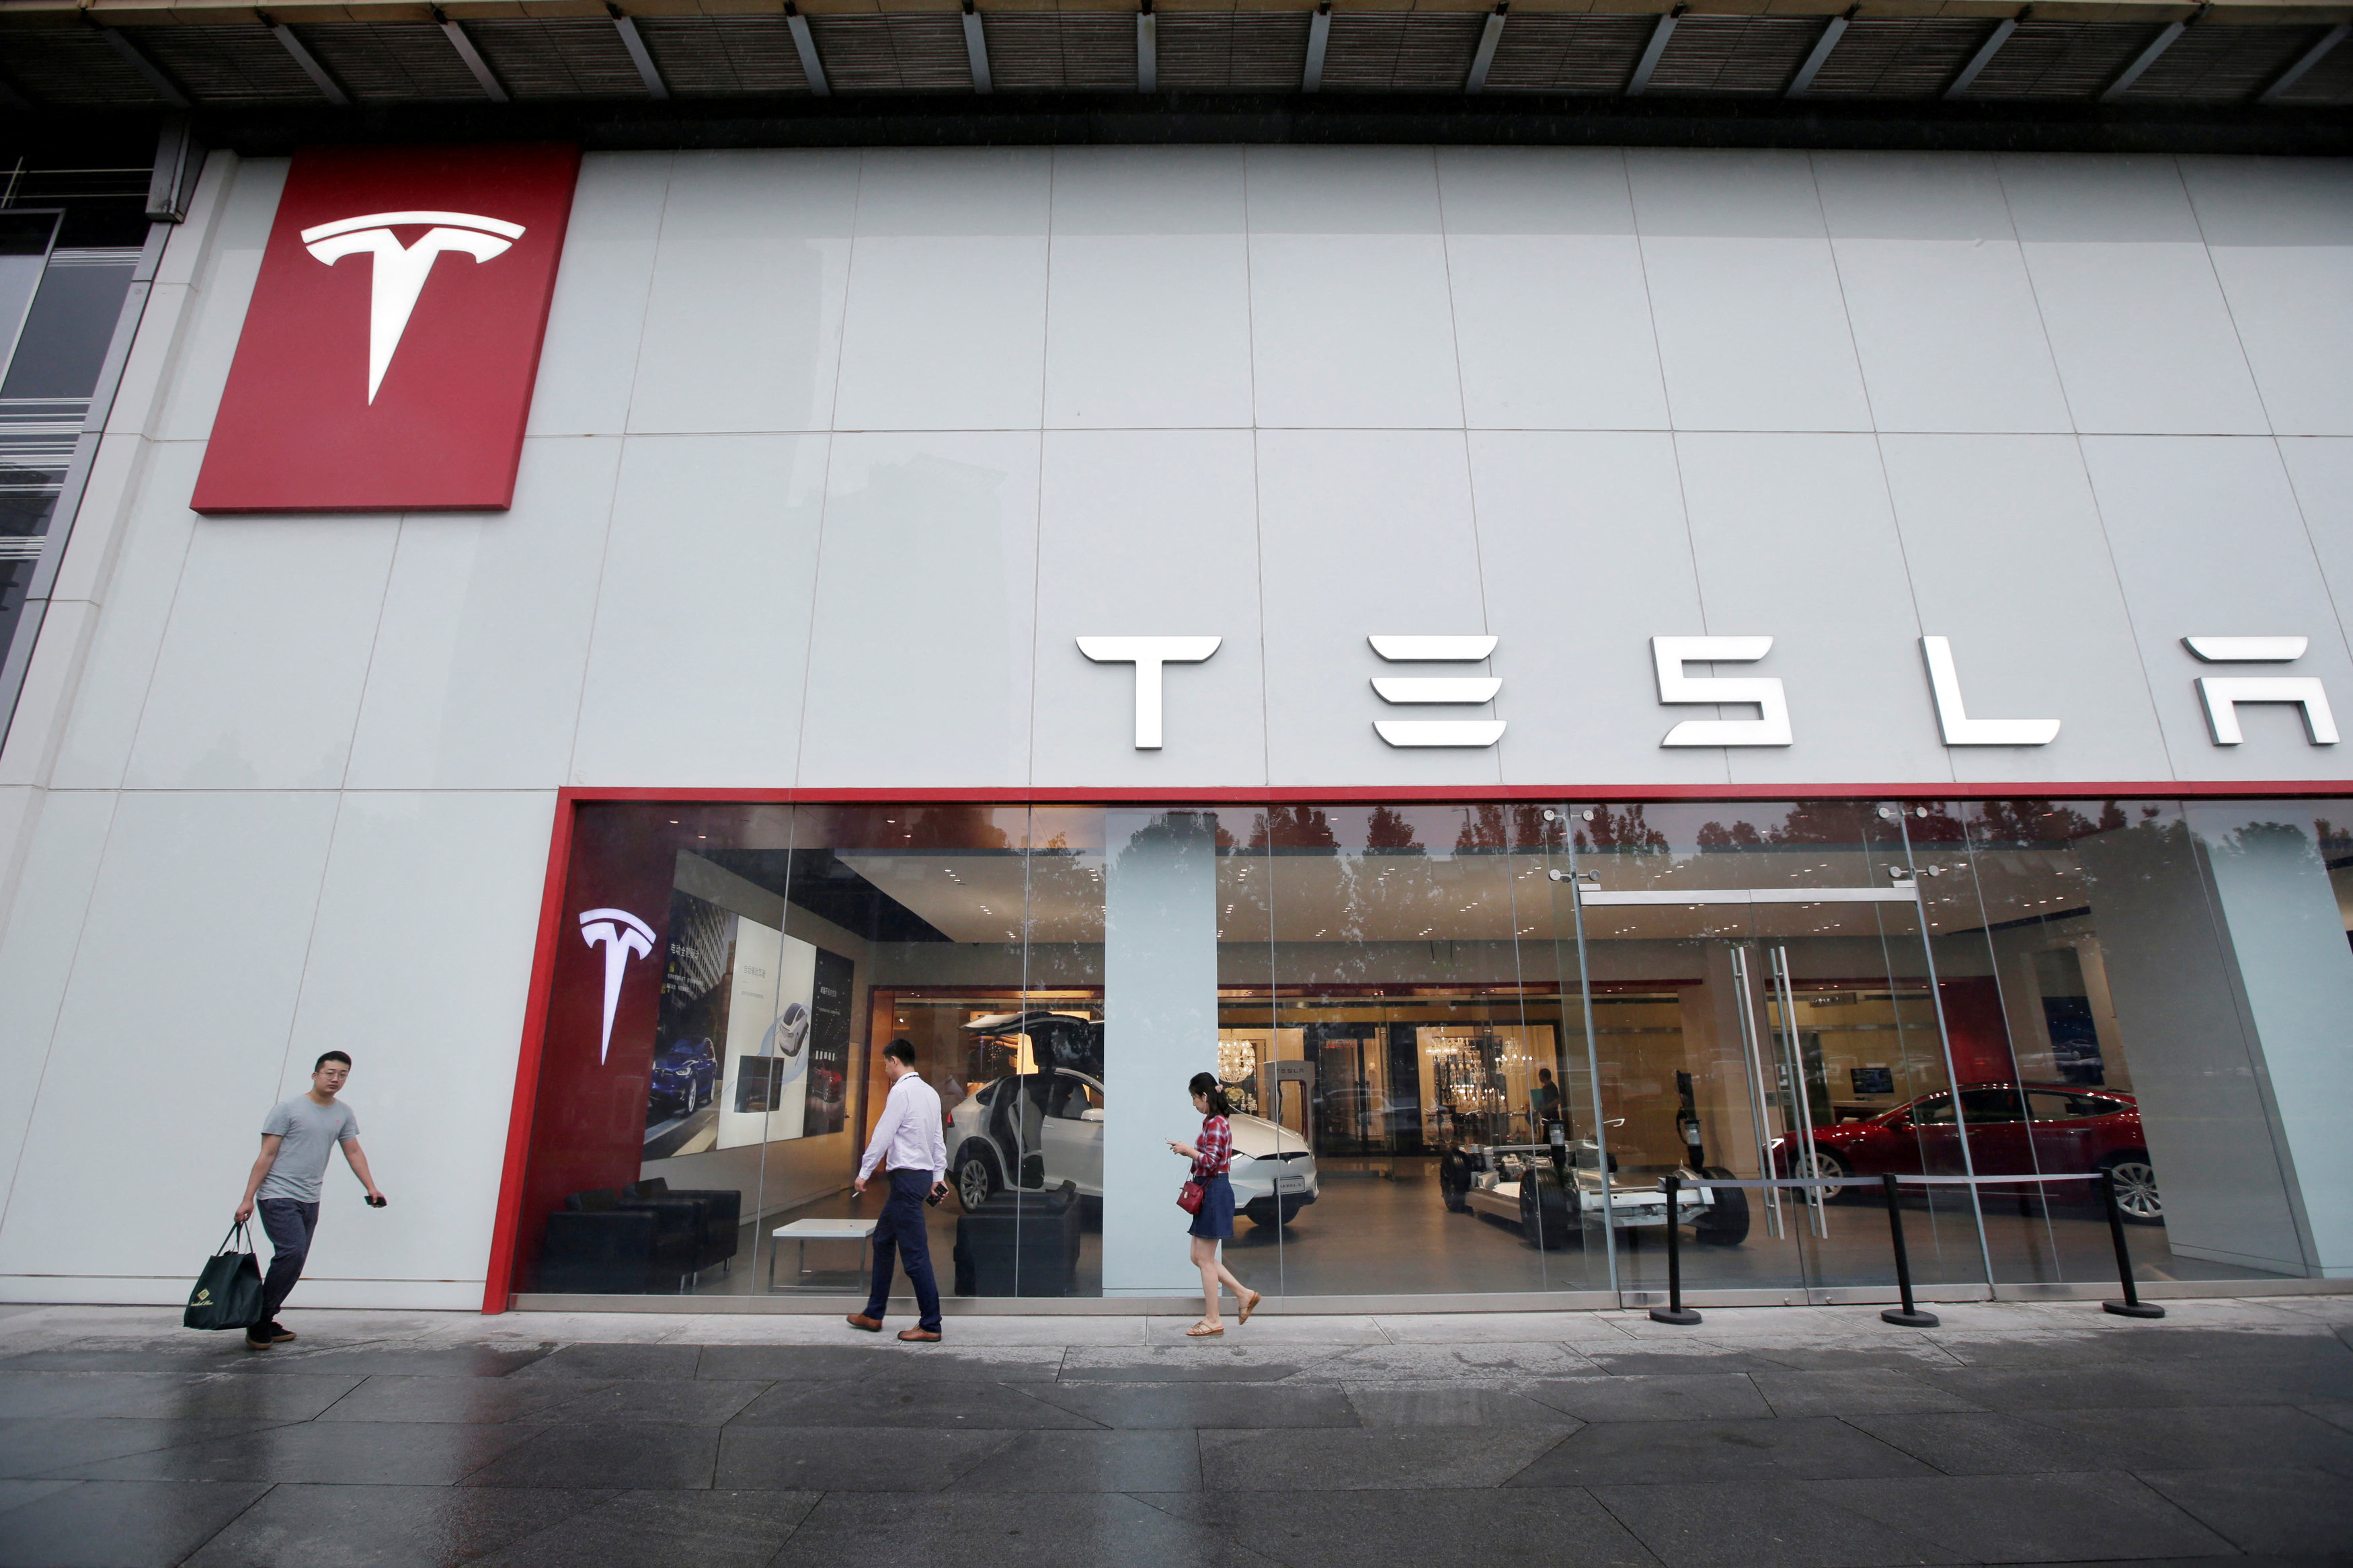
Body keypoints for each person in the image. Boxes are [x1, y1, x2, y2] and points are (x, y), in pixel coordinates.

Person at [233, 1050, 385, 1350]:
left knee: (296, 1260)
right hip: (277, 1195)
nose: (335, 1079)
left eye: (342, 1074)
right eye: (329, 1073)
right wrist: (247, 1198)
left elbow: (353, 1151)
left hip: (310, 1198)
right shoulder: (288, 1109)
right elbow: (266, 1154)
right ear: (315, 1075)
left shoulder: (343, 1112)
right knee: (291, 1252)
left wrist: (371, 1187)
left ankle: (265, 1316)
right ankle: (260, 1319)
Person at [847, 1039, 948, 1343]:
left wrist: (865, 1172)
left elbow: (883, 1135)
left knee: (915, 1255)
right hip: (921, 1177)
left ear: (894, 1061)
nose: (884, 1068)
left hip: (905, 1180)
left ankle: (931, 1324)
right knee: (883, 1239)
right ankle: (874, 1313)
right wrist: (938, 1175)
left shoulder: (900, 1092)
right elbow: (938, 1140)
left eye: (885, 1063)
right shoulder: (930, 1093)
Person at [1166, 1071, 1259, 1337]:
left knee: (1204, 1259)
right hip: (1211, 1190)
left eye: (1195, 1098)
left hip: (1215, 1191)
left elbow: (1210, 1162)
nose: (1193, 1103)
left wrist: (1187, 1150)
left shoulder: (1217, 1124)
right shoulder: (1212, 1122)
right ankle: (1245, 1295)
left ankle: (1213, 1319)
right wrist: (1188, 1150)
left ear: (1205, 1096)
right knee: (1198, 1256)